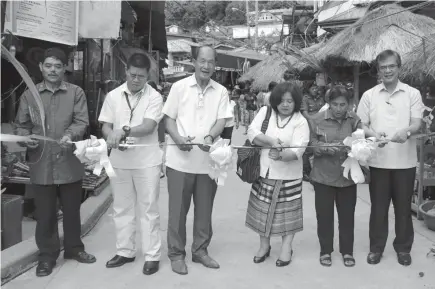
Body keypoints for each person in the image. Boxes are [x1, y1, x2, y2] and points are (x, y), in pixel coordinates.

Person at [14, 47, 95, 277]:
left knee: (71, 211)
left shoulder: (75, 92)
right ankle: (47, 256)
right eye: (48, 65)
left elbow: (81, 121)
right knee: (46, 213)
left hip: (69, 161)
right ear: (40, 67)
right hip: (41, 163)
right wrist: (25, 139)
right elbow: (21, 126)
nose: (52, 70)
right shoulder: (30, 95)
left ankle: (74, 249)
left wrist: (71, 134)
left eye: (58, 66)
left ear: (64, 68)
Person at [162, 45, 232, 275]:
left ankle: (200, 250)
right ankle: (176, 253)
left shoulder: (221, 91)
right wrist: (177, 138)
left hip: (207, 162)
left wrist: (211, 136)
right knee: (177, 211)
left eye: (211, 62)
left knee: (204, 210)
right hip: (179, 161)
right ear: (194, 62)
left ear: (215, 65)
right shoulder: (179, 87)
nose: (206, 66)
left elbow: (222, 120)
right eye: (202, 61)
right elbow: (168, 120)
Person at [357, 49, 424, 266]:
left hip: (405, 162)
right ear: (378, 70)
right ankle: (376, 248)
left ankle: (403, 248)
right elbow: (360, 124)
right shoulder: (369, 95)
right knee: (378, 208)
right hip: (379, 162)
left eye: (391, 66)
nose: (387, 70)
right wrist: (374, 135)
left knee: (403, 208)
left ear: (399, 67)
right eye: (383, 67)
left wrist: (406, 132)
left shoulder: (412, 93)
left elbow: (417, 123)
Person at [99, 53, 163, 275]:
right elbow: (105, 125)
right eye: (133, 75)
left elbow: (148, 126)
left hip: (147, 162)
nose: (136, 80)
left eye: (141, 77)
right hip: (120, 161)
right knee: (122, 208)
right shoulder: (113, 96)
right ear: (125, 71)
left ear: (148, 76)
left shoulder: (154, 97)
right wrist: (112, 137)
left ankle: (152, 255)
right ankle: (125, 251)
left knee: (149, 209)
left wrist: (123, 131)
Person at [246, 82, 310, 267]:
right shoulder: (266, 112)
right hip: (264, 171)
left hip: (289, 175)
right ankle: (264, 246)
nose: (285, 104)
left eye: (290, 101)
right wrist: (271, 141)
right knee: (262, 212)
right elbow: (252, 132)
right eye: (281, 101)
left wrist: (283, 155)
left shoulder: (300, 120)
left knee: (288, 215)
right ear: (275, 101)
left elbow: (300, 148)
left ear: (296, 102)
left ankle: (286, 247)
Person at [309, 85, 362, 268]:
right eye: (335, 104)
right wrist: (321, 148)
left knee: (347, 216)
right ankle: (325, 251)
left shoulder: (354, 120)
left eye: (343, 104)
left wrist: (355, 147)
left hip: (347, 177)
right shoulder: (316, 120)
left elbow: (362, 141)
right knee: (324, 217)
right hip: (323, 176)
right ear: (328, 103)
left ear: (349, 104)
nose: (339, 109)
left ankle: (347, 251)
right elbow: (310, 144)